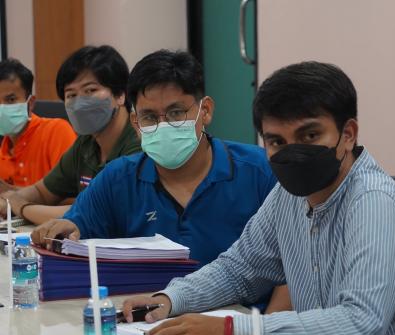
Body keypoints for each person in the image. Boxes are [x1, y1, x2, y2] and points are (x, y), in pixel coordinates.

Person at [119, 61, 395, 335]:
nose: (293, 152)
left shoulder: (373, 200)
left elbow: (362, 323)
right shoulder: (288, 195)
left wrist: (231, 331)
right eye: (276, 141)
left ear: (348, 134)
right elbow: (238, 270)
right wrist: (170, 299)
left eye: (310, 135)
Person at [30, 50, 292, 313]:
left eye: (176, 113)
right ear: (135, 122)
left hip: (242, 324)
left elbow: (292, 268)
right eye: (150, 117)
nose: (164, 125)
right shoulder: (117, 179)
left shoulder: (261, 172)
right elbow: (75, 228)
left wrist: (263, 330)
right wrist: (63, 230)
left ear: (205, 111)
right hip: (149, 320)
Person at [0, 46, 141, 224]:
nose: (79, 103)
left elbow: (94, 212)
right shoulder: (86, 143)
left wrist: (21, 207)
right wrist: (9, 200)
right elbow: (42, 192)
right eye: (71, 95)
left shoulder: (139, 141)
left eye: (90, 90)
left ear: (120, 94)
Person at [0, 58, 76, 191]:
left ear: (30, 103)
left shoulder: (56, 132)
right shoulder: (3, 151)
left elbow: (74, 194)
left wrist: (12, 193)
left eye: (11, 99)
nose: (2, 108)